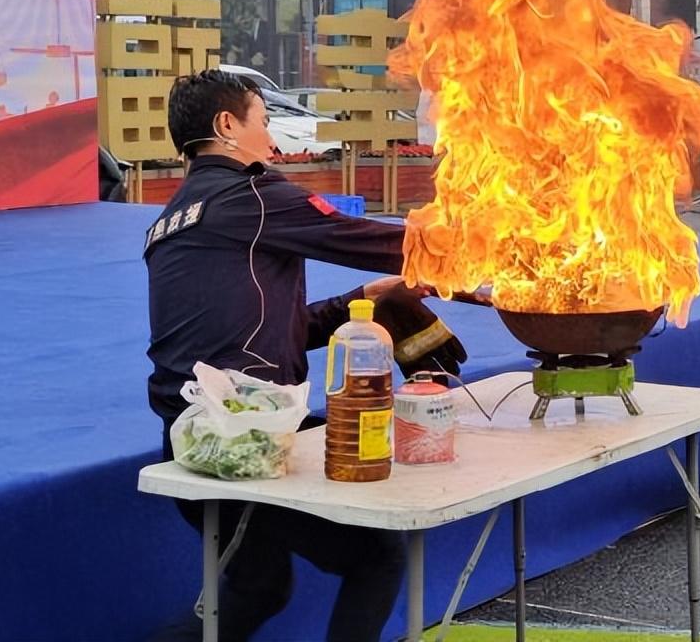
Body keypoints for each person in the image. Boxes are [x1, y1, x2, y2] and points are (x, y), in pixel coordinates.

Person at [145, 69, 467, 642]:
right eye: (263, 123)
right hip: (242, 438)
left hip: (194, 431)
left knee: (258, 590)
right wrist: (498, 246)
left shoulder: (172, 219)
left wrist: (366, 301)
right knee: (376, 557)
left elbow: (271, 335)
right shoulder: (251, 196)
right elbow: (371, 240)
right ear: (226, 127)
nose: (273, 140)